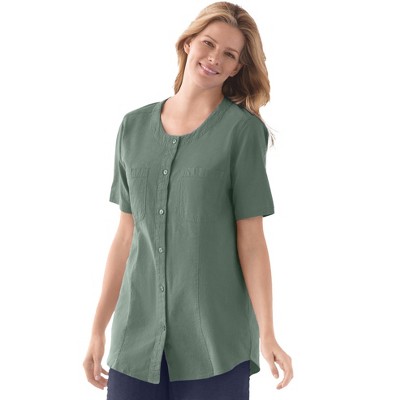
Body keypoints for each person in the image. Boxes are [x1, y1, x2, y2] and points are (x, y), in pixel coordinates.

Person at [83, 2, 293, 399]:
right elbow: (126, 236)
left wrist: (267, 332)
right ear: (188, 44)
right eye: (208, 44)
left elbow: (251, 240)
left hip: (214, 341)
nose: (214, 58)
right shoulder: (132, 127)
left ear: (237, 68)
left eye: (229, 54)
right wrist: (98, 329)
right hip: (136, 339)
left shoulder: (243, 134)